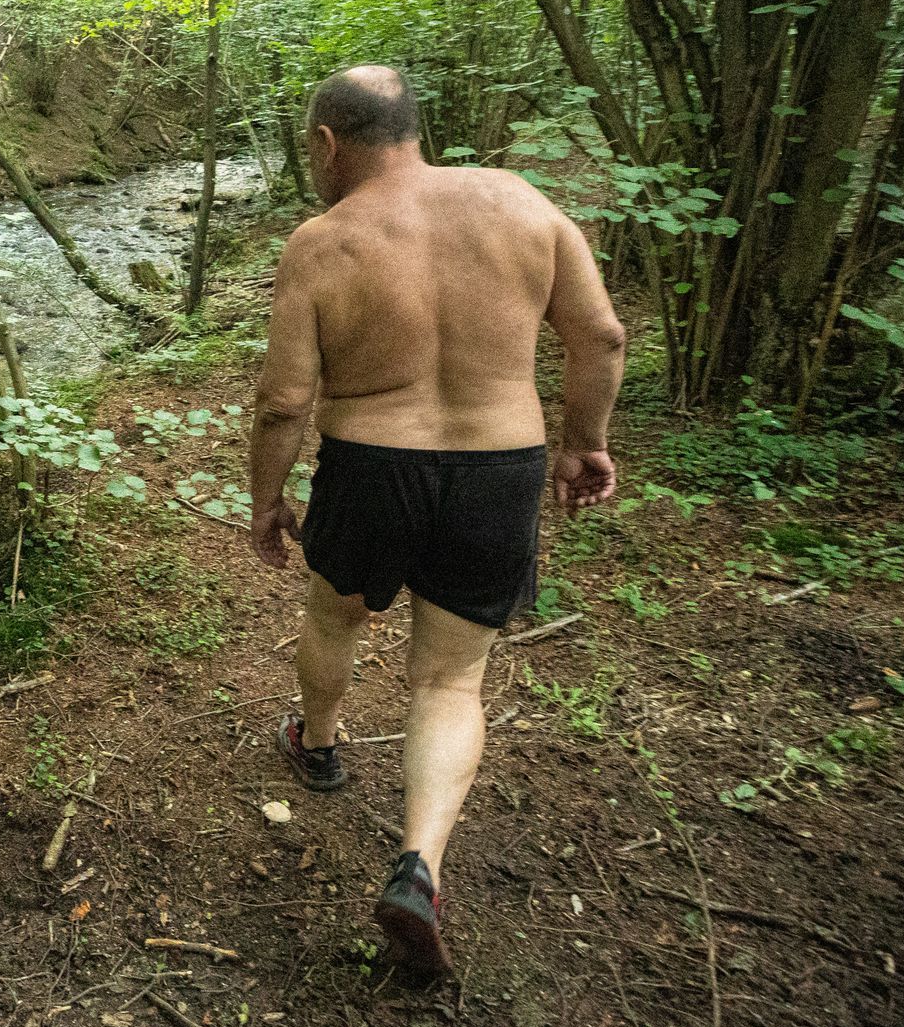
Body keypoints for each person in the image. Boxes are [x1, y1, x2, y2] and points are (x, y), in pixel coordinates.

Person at [247, 64, 625, 977]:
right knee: (452, 680)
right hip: (499, 467)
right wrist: (583, 442)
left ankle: (321, 746)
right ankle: (420, 863)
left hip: (371, 466)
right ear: (415, 128)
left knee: (336, 611)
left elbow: (283, 401)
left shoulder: (322, 241)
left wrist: (267, 496)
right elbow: (601, 336)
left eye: (310, 148)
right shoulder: (519, 202)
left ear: (330, 143)